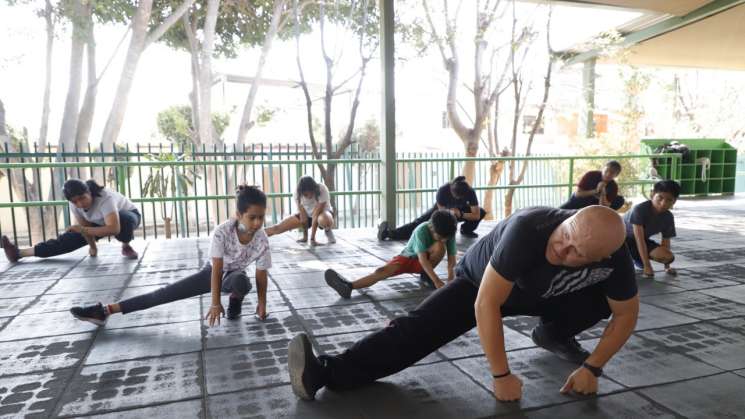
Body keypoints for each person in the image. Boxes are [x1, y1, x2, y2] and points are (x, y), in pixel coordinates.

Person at [288, 206, 639, 404]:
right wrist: (501, 375)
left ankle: (553, 334)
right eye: (564, 238)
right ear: (565, 221)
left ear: (603, 257)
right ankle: (326, 372)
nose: (563, 251)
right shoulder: (528, 229)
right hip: (480, 284)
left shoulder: (615, 260)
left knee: (605, 301)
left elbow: (626, 315)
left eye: (578, 253)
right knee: (416, 329)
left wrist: (593, 368)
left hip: (547, 294)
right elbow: (487, 304)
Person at [69, 185, 272, 325]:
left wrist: (262, 304)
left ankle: (235, 298)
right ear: (238, 215)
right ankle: (105, 311)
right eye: (252, 217)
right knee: (163, 294)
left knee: (242, 282)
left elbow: (261, 275)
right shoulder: (222, 231)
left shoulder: (262, 239)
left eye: (261, 217)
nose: (257, 223)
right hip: (212, 273)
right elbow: (217, 268)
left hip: (234, 276)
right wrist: (215, 302)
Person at [2, 179, 141, 262]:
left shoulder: (105, 198)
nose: (80, 204)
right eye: (75, 202)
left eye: (82, 198)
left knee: (124, 220)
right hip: (99, 224)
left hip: (127, 217)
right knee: (68, 239)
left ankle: (126, 245)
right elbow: (86, 229)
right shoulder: (74, 205)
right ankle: (19, 253)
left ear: (89, 192)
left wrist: (83, 229)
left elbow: (113, 228)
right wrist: (93, 247)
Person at [325, 210, 457, 297]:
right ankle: (349, 286)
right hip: (408, 258)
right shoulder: (421, 230)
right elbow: (422, 259)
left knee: (440, 247)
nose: (445, 240)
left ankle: (425, 275)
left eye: (447, 237)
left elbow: (452, 260)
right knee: (381, 271)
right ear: (431, 227)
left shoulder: (448, 232)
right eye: (440, 236)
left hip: (425, 264)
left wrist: (451, 283)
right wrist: (437, 281)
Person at [378, 176, 486, 241]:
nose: (458, 199)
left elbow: (476, 214)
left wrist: (461, 214)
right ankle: (389, 234)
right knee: (419, 222)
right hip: (442, 212)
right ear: (451, 191)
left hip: (460, 212)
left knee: (481, 212)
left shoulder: (470, 192)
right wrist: (451, 213)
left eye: (461, 197)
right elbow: (441, 212)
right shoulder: (443, 190)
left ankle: (466, 230)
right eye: (457, 197)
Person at [623, 180, 679, 278]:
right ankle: (627, 258)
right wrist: (647, 266)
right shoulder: (639, 209)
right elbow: (639, 240)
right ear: (652, 194)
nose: (663, 203)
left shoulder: (668, 217)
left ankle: (635, 258)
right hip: (621, 241)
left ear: (674, 201)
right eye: (660, 198)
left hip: (639, 243)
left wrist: (667, 266)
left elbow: (665, 242)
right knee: (621, 267)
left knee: (668, 257)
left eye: (669, 200)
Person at [265, 176, 335, 245]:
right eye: (306, 194)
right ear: (301, 192)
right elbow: (303, 217)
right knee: (277, 228)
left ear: (314, 188)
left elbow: (316, 214)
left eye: (311, 192)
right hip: (307, 215)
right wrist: (305, 237)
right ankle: (256, 234)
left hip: (322, 214)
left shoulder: (322, 188)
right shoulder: (297, 193)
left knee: (325, 220)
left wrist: (312, 239)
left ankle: (327, 230)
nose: (309, 196)